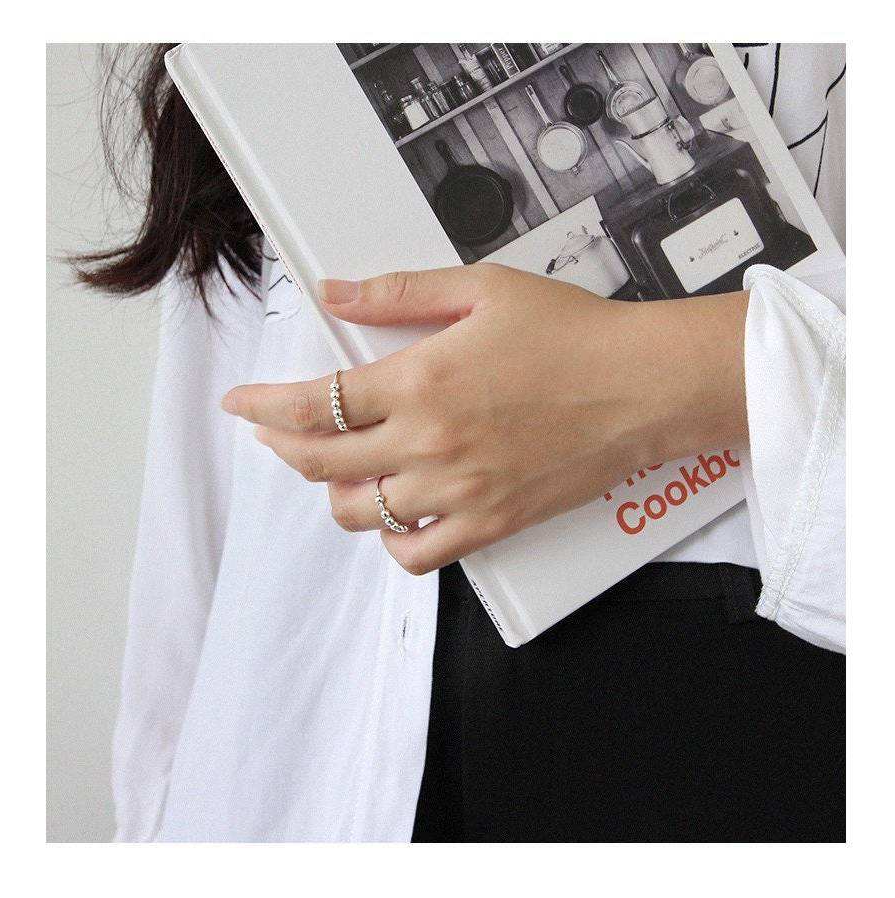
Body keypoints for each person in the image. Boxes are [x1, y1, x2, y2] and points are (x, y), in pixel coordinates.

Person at [78, 43, 845, 842]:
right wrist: (154, 823)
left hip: (726, 668)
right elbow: (203, 497)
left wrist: (672, 375)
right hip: (320, 733)